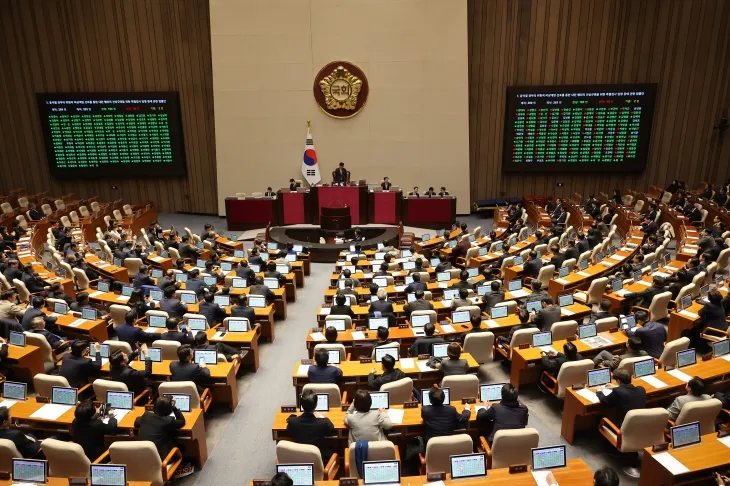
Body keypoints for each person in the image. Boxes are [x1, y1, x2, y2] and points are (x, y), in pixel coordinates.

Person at [286, 389, 336, 461]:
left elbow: (289, 430)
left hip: (299, 457)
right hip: (318, 458)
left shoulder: (292, 422)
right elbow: (331, 428)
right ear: (316, 406)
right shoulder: (323, 423)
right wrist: (322, 417)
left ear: (301, 405)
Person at [134, 395, 186, 459]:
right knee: (181, 447)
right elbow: (182, 421)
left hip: (141, 455)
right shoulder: (167, 421)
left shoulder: (146, 416)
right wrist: (174, 407)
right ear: (169, 410)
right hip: (159, 458)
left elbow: (136, 422)